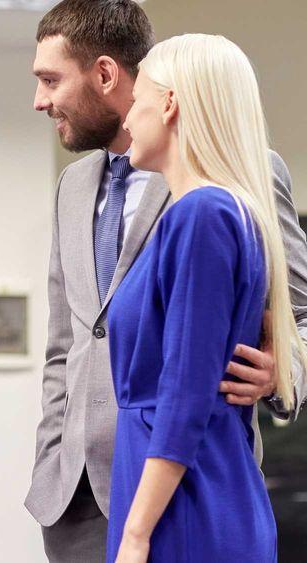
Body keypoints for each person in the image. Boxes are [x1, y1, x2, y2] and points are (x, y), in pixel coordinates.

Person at [26, 1, 307, 560]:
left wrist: (286, 370)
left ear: (106, 75)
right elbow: (68, 342)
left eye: (50, 80)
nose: (40, 100)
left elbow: (297, 313)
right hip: (73, 495)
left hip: (183, 477)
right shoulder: (72, 186)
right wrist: (53, 452)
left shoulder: (231, 180)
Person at [107, 33, 300, 562]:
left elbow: (186, 394)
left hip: (184, 503)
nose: (127, 119)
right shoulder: (215, 212)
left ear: (168, 104)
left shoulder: (204, 215)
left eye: (138, 99)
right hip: (182, 487)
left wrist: (136, 532)